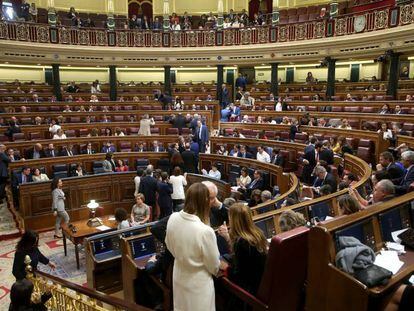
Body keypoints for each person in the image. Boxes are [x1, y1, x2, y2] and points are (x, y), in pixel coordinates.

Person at [165, 183, 222, 311]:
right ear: (205, 202)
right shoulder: (205, 231)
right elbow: (214, 266)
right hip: (198, 284)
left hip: (179, 275)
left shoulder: (173, 218)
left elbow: (169, 245)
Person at [218, 203, 268, 294]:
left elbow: (239, 277)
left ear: (234, 220)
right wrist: (227, 237)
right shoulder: (258, 233)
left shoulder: (241, 243)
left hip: (251, 290)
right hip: (261, 280)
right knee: (225, 256)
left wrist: (226, 268)